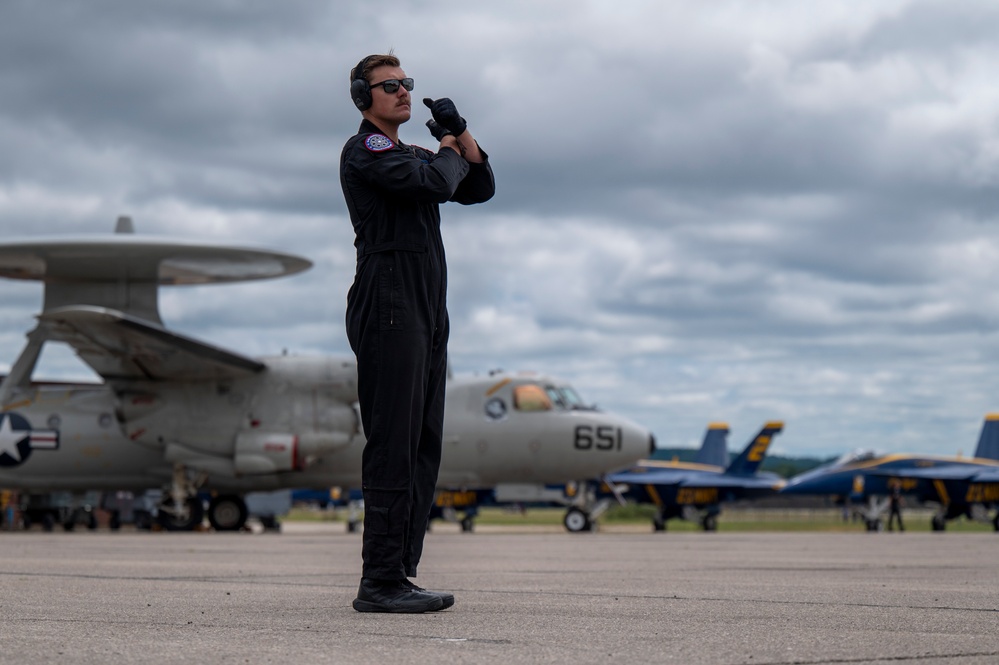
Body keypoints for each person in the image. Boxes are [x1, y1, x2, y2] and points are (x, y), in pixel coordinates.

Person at [340, 52, 495, 613]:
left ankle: (401, 574)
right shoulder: (368, 150)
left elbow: (478, 186)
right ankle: (378, 581)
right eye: (390, 86)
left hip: (427, 303)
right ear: (364, 97)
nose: (403, 92)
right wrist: (449, 153)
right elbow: (436, 183)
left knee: (423, 442)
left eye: (406, 83)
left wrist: (458, 130)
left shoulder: (412, 151)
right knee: (393, 442)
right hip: (389, 300)